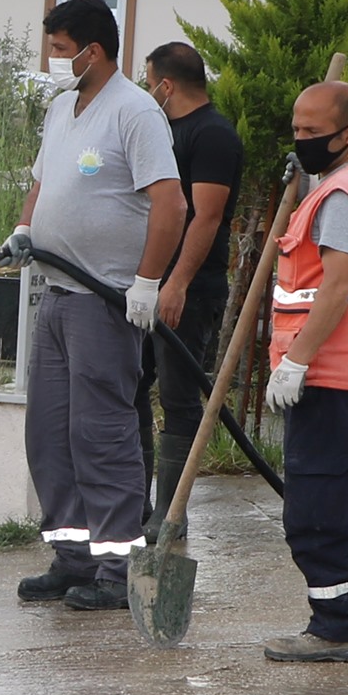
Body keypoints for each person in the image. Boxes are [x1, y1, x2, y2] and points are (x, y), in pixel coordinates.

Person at [4, 0, 184, 611]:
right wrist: (26, 229)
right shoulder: (62, 109)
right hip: (56, 295)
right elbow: (42, 182)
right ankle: (72, 556)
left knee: (100, 433)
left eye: (59, 50)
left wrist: (147, 282)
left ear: (93, 51)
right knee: (50, 433)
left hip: (104, 302)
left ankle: (115, 568)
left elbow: (171, 204)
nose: (52, 61)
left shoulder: (135, 113)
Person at [260, 80, 348, 663]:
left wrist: (295, 362)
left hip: (330, 377)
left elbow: (338, 283)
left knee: (316, 513)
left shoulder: (342, 196)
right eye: (297, 130)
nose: (302, 141)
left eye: (313, 133)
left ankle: (338, 628)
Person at [130, 41, 244, 538]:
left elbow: (208, 216)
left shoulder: (213, 135)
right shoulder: (162, 130)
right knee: (129, 388)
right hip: (147, 284)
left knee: (177, 398)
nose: (146, 89)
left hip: (188, 291)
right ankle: (135, 505)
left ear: (166, 84)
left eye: (149, 80)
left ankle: (169, 515)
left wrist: (176, 283)